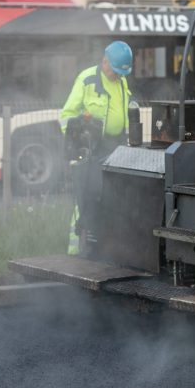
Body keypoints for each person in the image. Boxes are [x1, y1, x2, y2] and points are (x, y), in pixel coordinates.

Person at [60, 40, 133, 256]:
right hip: (91, 150)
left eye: (122, 73)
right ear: (105, 62)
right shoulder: (87, 79)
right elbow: (66, 117)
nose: (118, 76)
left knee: (113, 197)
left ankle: (104, 246)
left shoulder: (121, 80)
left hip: (116, 147)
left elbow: (124, 111)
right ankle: (76, 249)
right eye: (116, 71)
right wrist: (79, 141)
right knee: (85, 198)